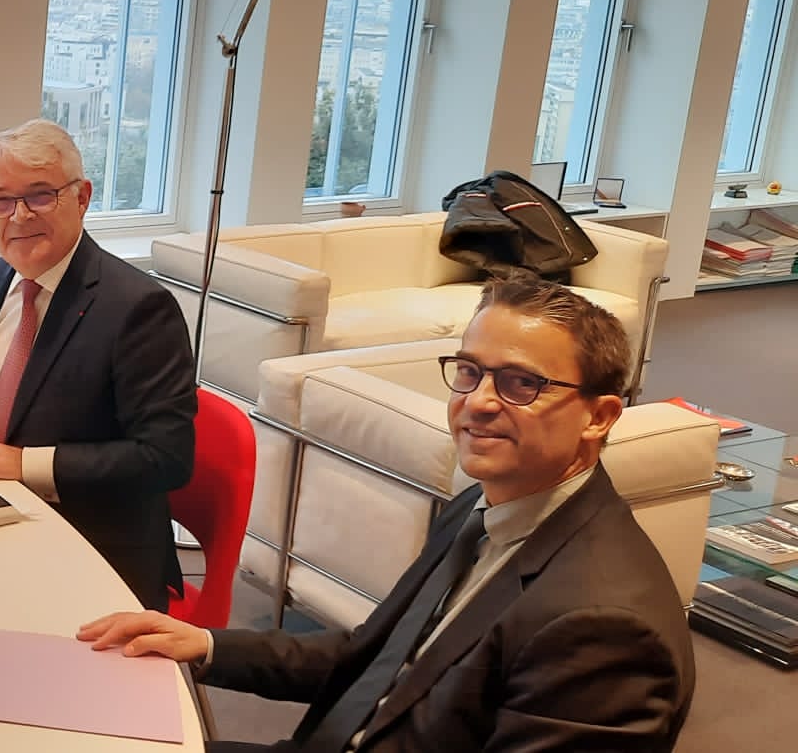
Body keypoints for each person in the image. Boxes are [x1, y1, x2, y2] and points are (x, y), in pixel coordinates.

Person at [78, 276, 695, 752]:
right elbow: (375, 655)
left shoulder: (604, 628)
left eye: (520, 384)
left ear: (599, 417)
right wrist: (207, 645)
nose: (478, 402)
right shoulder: (482, 508)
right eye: (470, 372)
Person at [0, 119, 197, 609]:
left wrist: (23, 463)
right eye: (0, 200)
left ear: (82, 197)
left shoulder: (139, 309)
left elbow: (166, 458)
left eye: (40, 196)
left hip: (91, 551)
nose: (18, 216)